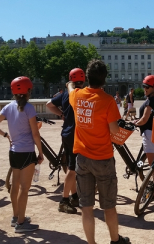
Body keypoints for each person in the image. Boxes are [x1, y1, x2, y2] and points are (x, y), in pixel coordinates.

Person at [67, 59, 131, 244]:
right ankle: (115, 240)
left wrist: (70, 83)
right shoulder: (108, 101)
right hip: (103, 158)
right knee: (108, 207)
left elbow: (71, 88)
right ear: (104, 79)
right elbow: (114, 130)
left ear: (87, 78)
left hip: (83, 159)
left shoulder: (77, 96)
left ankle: (92, 243)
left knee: (86, 208)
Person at [0, 76, 44, 233]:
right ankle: (21, 223)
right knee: (25, 189)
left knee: (15, 185)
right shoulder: (29, 108)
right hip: (26, 151)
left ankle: (15, 216)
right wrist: (40, 152)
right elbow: (35, 133)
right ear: (28, 91)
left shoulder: (8, 107)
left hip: (13, 152)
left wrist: (6, 135)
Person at [46, 68, 85, 214]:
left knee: (71, 166)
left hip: (66, 133)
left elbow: (49, 104)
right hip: (76, 134)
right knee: (73, 169)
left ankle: (74, 196)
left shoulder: (63, 94)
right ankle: (64, 200)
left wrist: (62, 114)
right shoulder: (81, 94)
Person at [133, 75, 154, 198]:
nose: (144, 88)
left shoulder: (151, 100)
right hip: (151, 133)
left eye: (147, 87)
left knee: (152, 167)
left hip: (149, 134)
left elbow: (144, 119)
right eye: (143, 86)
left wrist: (134, 123)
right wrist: (137, 121)